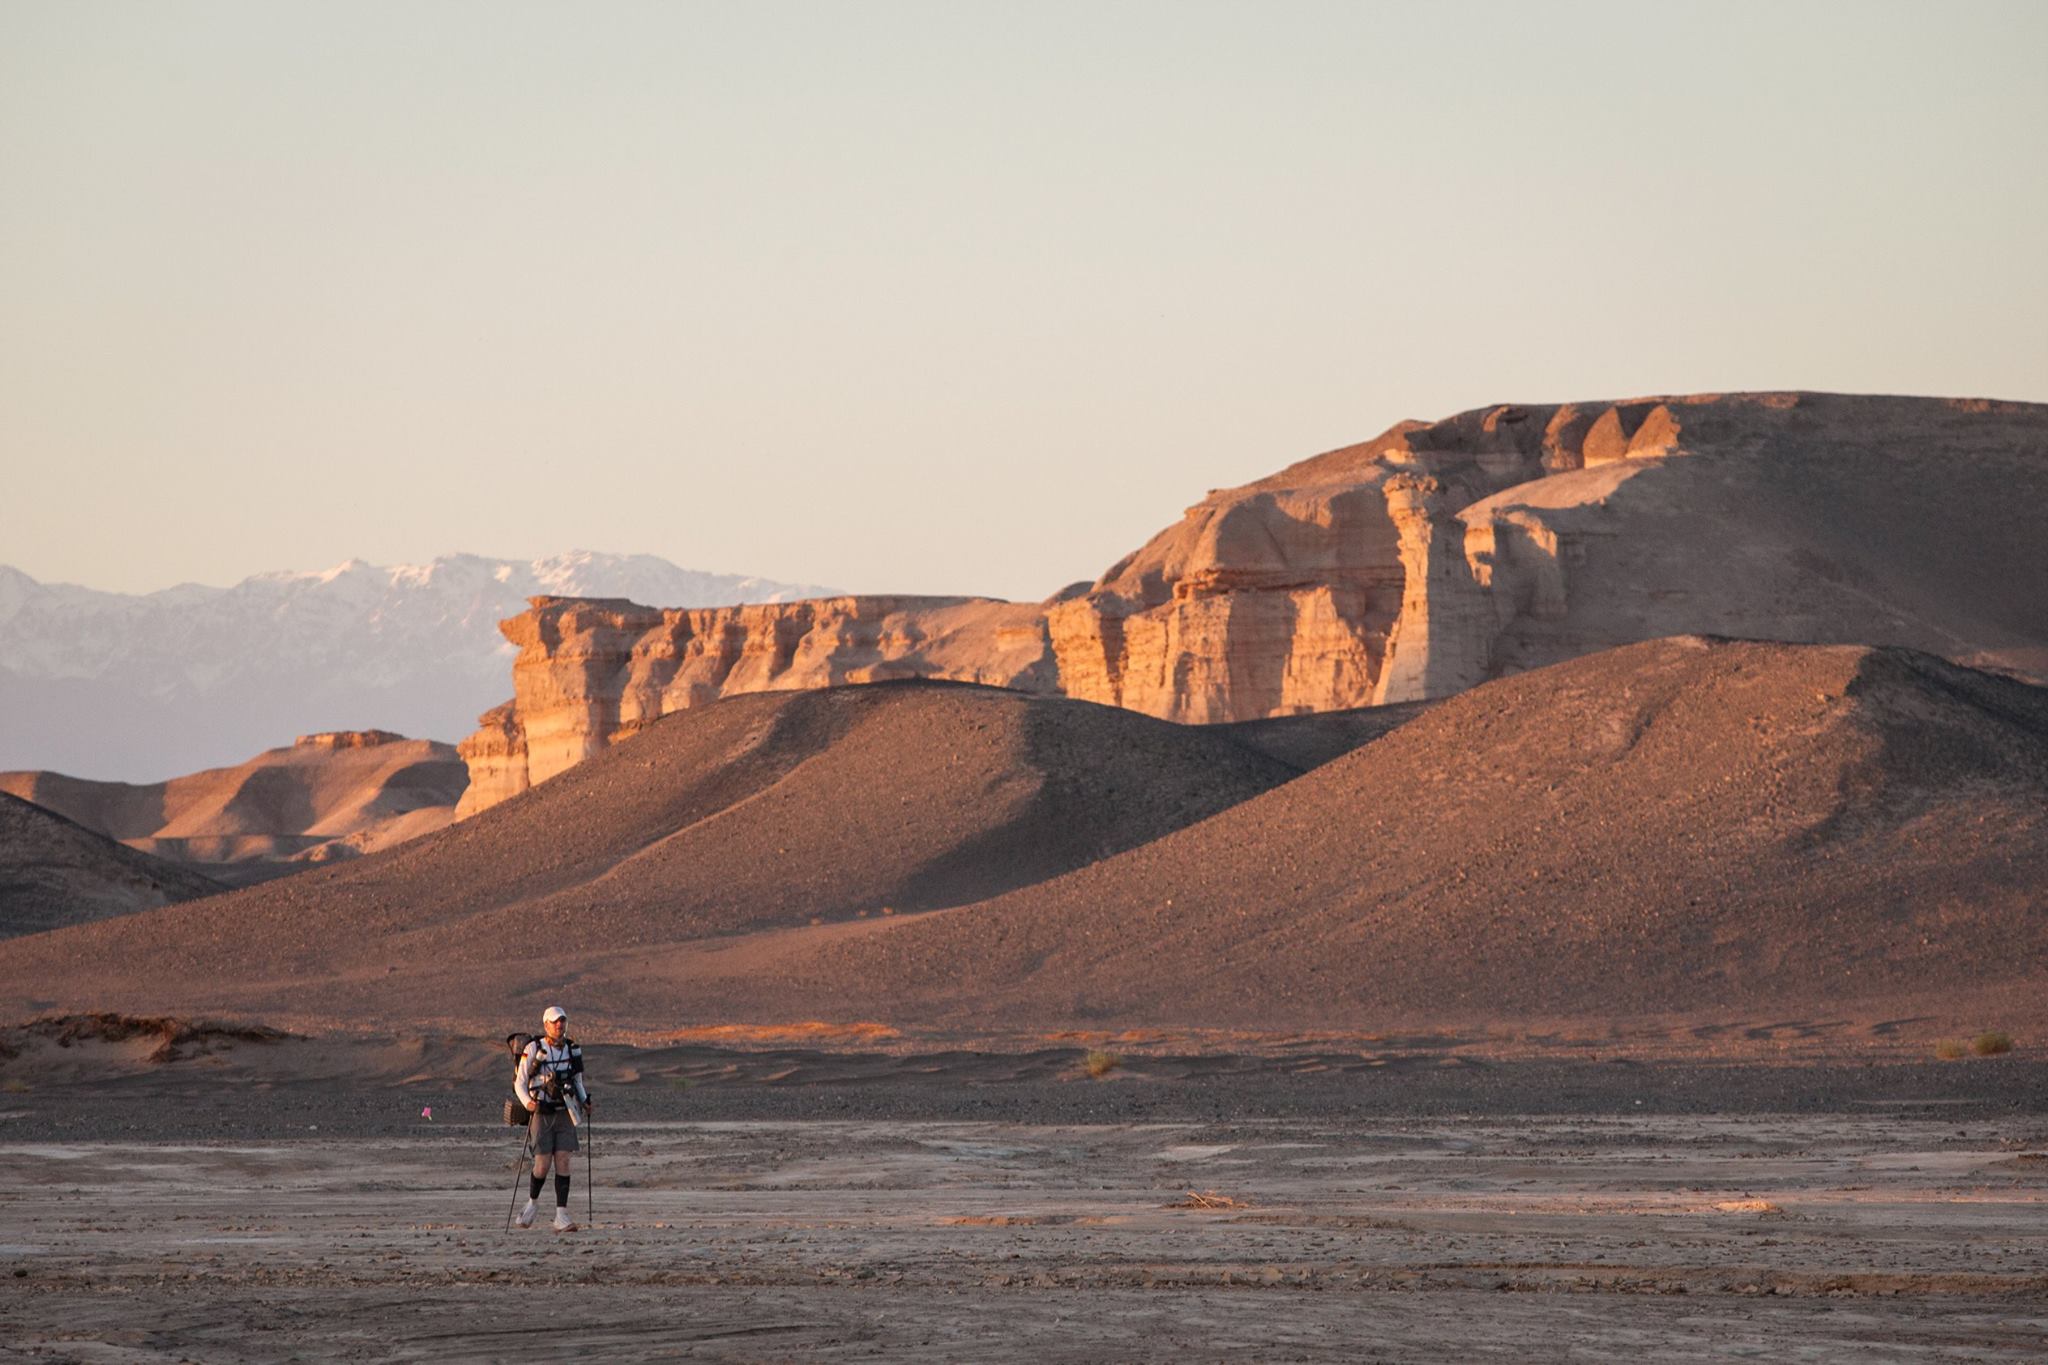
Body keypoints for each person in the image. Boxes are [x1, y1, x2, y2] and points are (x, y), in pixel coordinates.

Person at [513, 1005, 592, 1231]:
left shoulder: (572, 1049)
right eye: (556, 1021)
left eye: (563, 1021)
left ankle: (561, 1215)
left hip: (565, 1111)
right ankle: (532, 1204)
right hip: (542, 1112)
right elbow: (520, 1081)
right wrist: (528, 1102)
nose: (560, 1025)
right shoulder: (533, 1048)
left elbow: (577, 1081)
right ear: (546, 1024)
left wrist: (585, 1101)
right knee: (542, 1164)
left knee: (564, 1160)